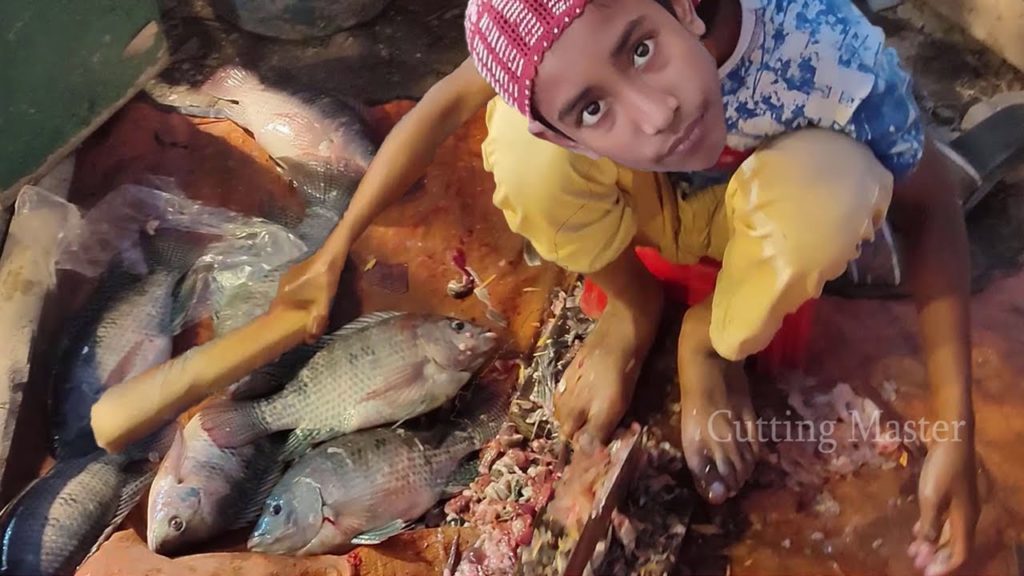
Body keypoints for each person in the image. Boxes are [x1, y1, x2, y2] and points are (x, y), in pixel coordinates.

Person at [270, 0, 977, 573]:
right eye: (591, 110)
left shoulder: (826, 51)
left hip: (763, 221)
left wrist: (956, 431)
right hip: (654, 205)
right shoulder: (542, 40)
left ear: (684, 7)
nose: (657, 111)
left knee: (838, 190)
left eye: (641, 48)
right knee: (520, 149)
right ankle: (633, 309)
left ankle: (714, 338)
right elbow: (444, 107)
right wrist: (337, 249)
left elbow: (929, 211)